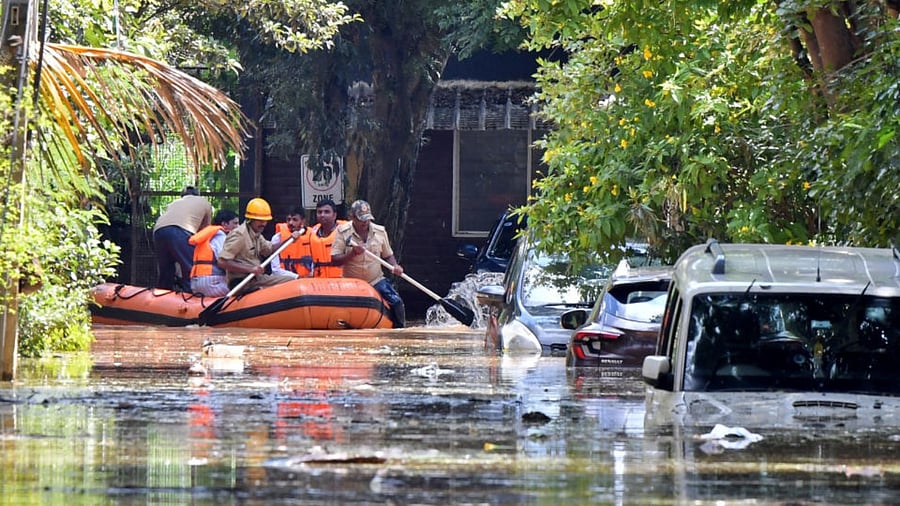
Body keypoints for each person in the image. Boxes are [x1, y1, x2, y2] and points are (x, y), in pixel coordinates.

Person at [331, 200, 406, 328]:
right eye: (361, 219)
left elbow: (388, 255)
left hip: (375, 280)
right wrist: (353, 253)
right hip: (351, 282)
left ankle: (399, 330)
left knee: (396, 302)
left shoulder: (380, 231)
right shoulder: (343, 232)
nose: (365, 222)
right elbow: (335, 260)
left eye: (368, 219)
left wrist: (395, 266)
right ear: (353, 217)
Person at [217, 197, 304, 292]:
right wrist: (251, 269)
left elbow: (269, 249)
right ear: (251, 219)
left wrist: (289, 239)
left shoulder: (256, 234)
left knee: (293, 281)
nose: (264, 223)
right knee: (290, 282)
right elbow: (222, 262)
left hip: (256, 278)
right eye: (260, 220)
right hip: (241, 282)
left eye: (265, 220)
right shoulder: (239, 235)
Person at [152, 186, 213, 291]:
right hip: (181, 231)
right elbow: (205, 231)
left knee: (166, 269)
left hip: (159, 231)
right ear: (198, 194)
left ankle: (162, 294)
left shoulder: (174, 203)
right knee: (190, 267)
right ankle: (190, 296)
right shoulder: (204, 202)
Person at [188, 209, 240, 297]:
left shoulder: (208, 236)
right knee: (244, 290)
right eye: (235, 223)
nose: (238, 227)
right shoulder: (220, 236)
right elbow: (224, 260)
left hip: (195, 284)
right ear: (224, 224)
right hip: (211, 283)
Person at [308, 199, 346, 278]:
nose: (322, 215)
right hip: (320, 282)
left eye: (326, 212)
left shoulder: (345, 231)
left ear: (334, 215)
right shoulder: (313, 232)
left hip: (342, 280)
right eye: (319, 212)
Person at [270, 207, 311, 278]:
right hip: (285, 280)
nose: (290, 223)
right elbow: (275, 270)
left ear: (303, 221)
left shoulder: (312, 236)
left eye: (295, 220)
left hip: (307, 280)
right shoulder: (277, 238)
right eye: (288, 219)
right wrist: (297, 277)